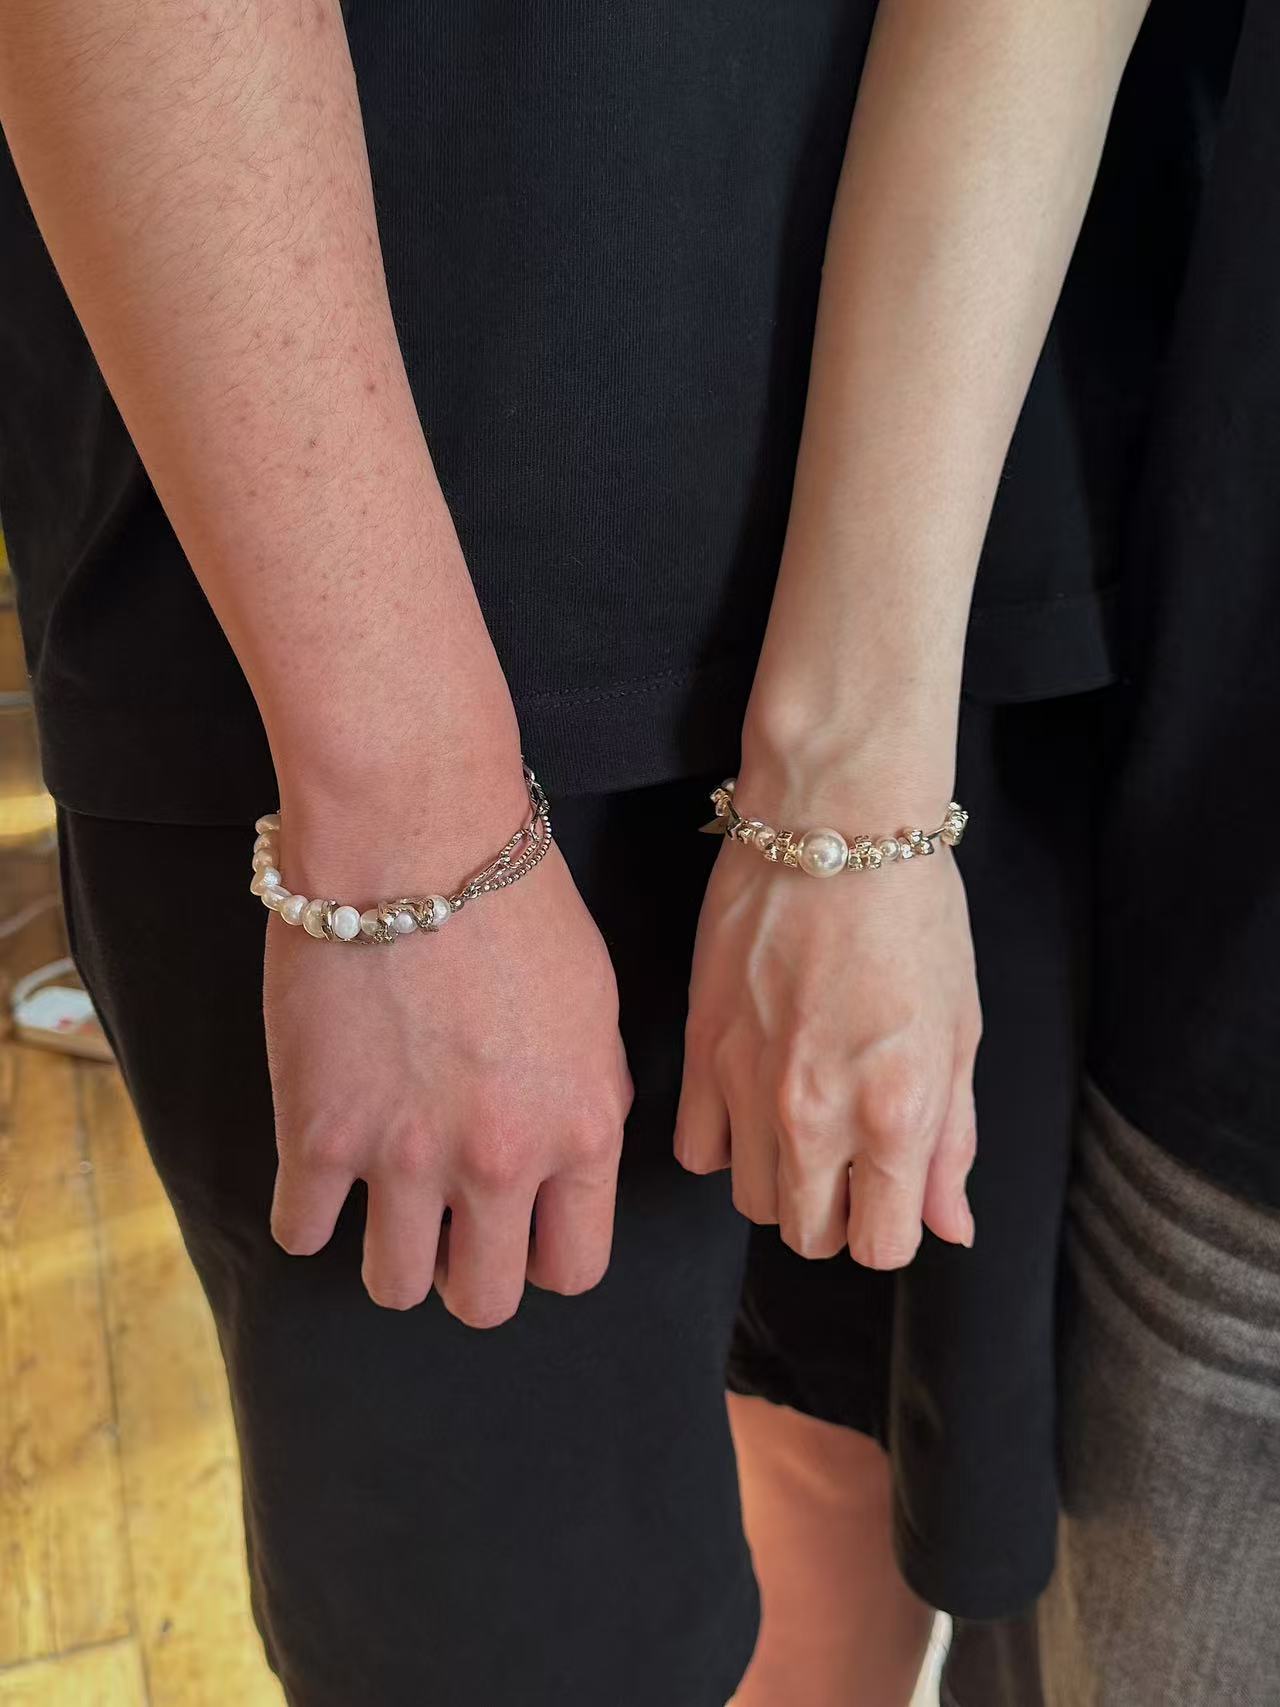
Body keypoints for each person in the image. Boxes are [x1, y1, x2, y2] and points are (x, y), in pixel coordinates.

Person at [1, 5, 1271, 1707]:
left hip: (970, 454)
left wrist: (855, 764)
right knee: (532, 1635)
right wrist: (410, 816)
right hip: (377, 554)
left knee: (858, 1431)